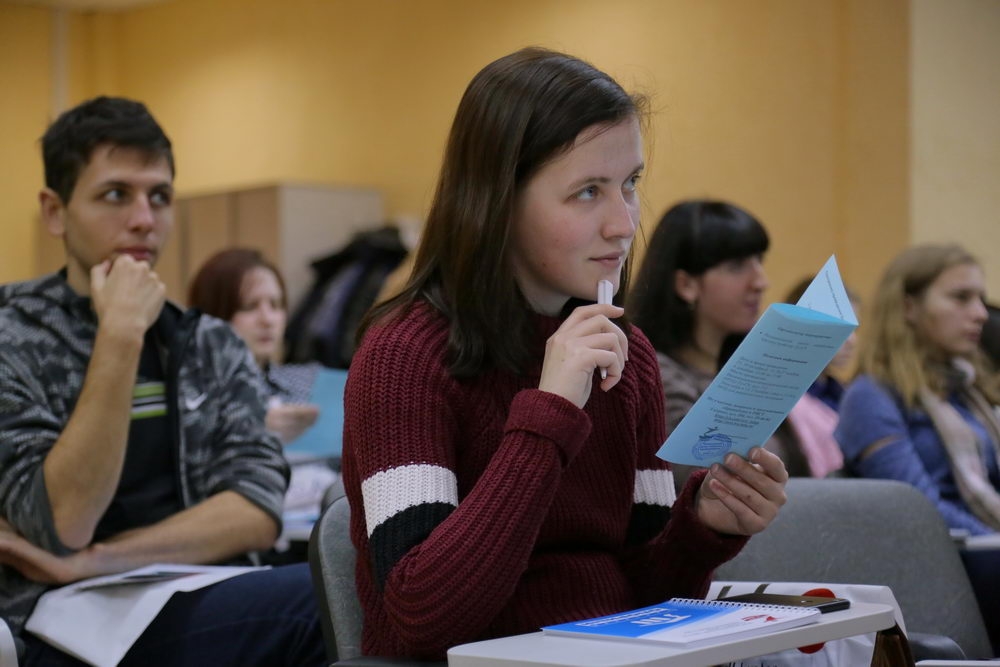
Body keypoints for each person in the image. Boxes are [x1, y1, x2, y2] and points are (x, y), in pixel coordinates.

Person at [341, 47, 789, 661]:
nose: (623, 223)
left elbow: (645, 595)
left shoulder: (629, 356)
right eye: (587, 192)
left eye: (630, 184)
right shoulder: (405, 356)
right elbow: (425, 616)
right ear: (498, 200)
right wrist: (549, 413)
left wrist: (704, 528)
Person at [0, 96, 326, 666]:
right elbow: (62, 523)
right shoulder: (12, 337)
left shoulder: (208, 342)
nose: (144, 220)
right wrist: (120, 335)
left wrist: (99, 559)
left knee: (349, 589)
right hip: (60, 620)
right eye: (115, 195)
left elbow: (255, 507)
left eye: (159, 197)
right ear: (55, 212)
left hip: (192, 590)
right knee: (323, 602)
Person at [629, 200, 804, 488]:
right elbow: (699, 478)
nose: (761, 282)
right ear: (686, 285)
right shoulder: (655, 374)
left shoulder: (744, 373)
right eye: (737, 266)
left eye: (759, 261)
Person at [835, 244, 1000, 535]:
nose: (980, 314)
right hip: (942, 553)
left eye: (980, 299)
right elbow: (918, 509)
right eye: (961, 298)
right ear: (909, 307)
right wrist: (993, 542)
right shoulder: (870, 396)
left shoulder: (968, 391)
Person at [188, 248, 320, 444]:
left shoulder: (312, 381)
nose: (267, 320)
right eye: (249, 306)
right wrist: (253, 428)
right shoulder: (191, 396)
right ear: (213, 314)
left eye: (276, 305)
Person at [777, 276, 862, 478]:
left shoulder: (845, 392)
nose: (852, 340)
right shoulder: (788, 401)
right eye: (840, 328)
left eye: (854, 329)